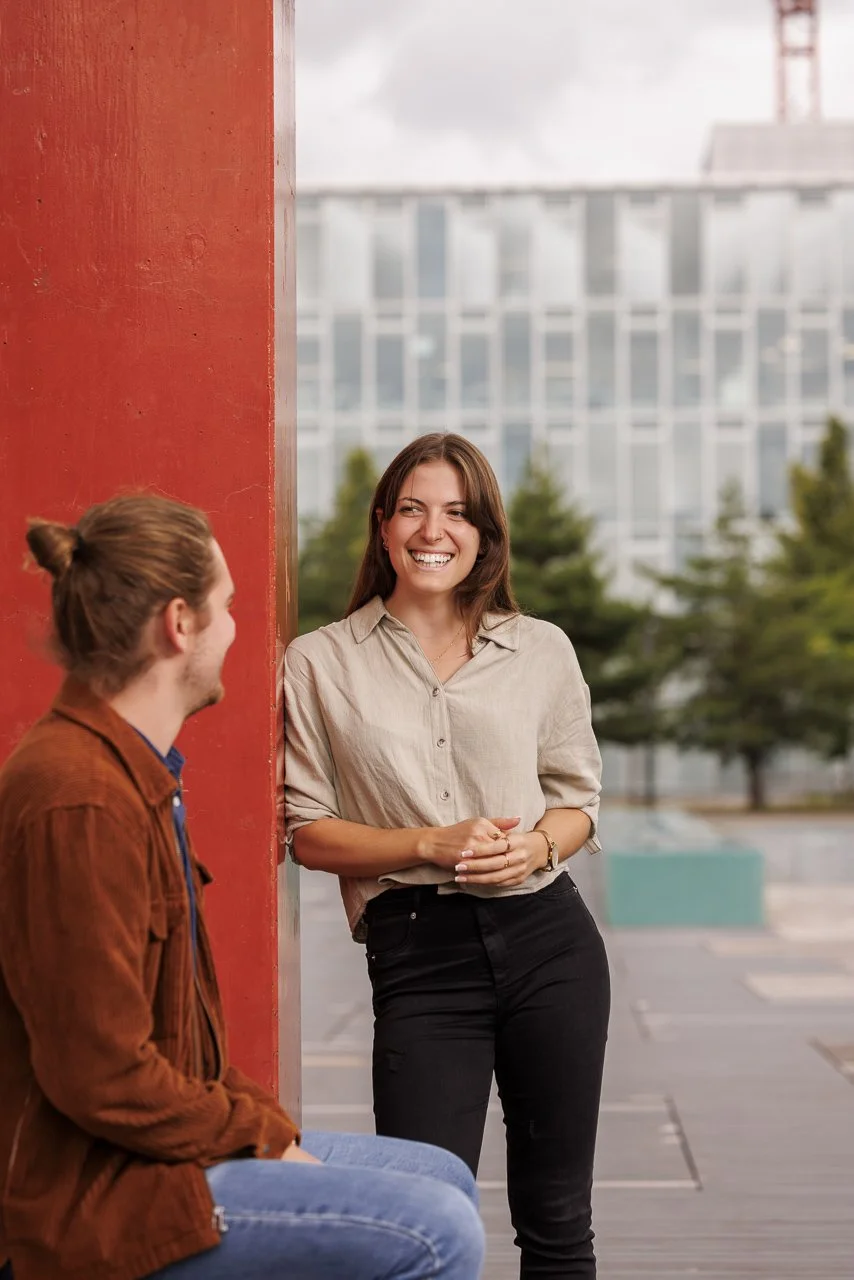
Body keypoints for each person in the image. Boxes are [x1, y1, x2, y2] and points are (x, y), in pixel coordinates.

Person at [0, 493, 485, 1280]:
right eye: (228, 608)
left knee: (440, 1176)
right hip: (97, 1195)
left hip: (146, 1155)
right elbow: (100, 1074)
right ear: (179, 624)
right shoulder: (79, 798)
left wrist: (267, 1129)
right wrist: (260, 1140)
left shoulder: (135, 773)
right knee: (435, 1231)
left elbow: (180, 1054)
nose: (238, 630)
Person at [284, 433, 611, 1280]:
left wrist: (537, 844)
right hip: (419, 954)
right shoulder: (319, 663)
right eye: (416, 508)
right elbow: (306, 829)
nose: (437, 529)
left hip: (551, 942)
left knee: (558, 1220)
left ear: (484, 533)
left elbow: (578, 801)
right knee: (424, 1218)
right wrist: (427, 842)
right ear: (383, 524)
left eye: (459, 512)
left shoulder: (541, 649)